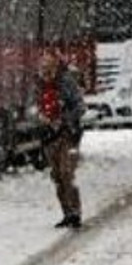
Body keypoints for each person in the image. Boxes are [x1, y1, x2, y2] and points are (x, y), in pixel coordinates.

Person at [39, 52, 85, 228]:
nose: (45, 70)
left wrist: (63, 120)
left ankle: (75, 213)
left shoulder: (66, 82)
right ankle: (67, 213)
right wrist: (42, 119)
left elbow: (80, 106)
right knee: (57, 176)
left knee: (67, 174)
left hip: (67, 135)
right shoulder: (40, 85)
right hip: (49, 136)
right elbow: (36, 107)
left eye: (48, 66)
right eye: (42, 66)